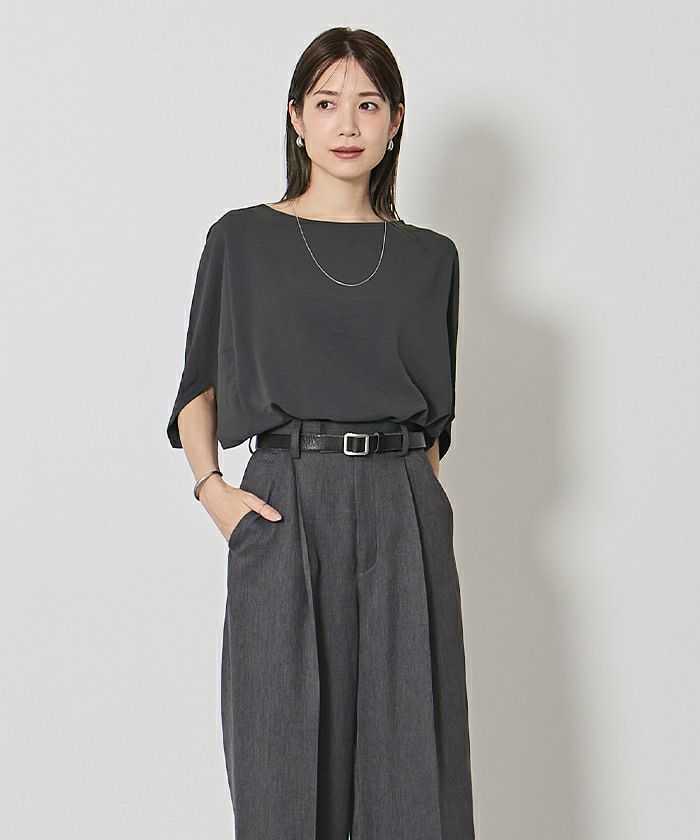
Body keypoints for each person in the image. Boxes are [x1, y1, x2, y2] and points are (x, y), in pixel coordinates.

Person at [166, 26, 476, 840]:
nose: (347, 124)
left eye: (368, 105)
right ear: (296, 118)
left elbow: (433, 417)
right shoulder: (242, 240)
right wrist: (213, 491)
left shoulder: (431, 259)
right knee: (279, 755)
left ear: (395, 121)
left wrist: (422, 510)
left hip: (401, 505)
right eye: (328, 103)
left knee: (410, 762)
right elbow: (199, 387)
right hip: (284, 499)